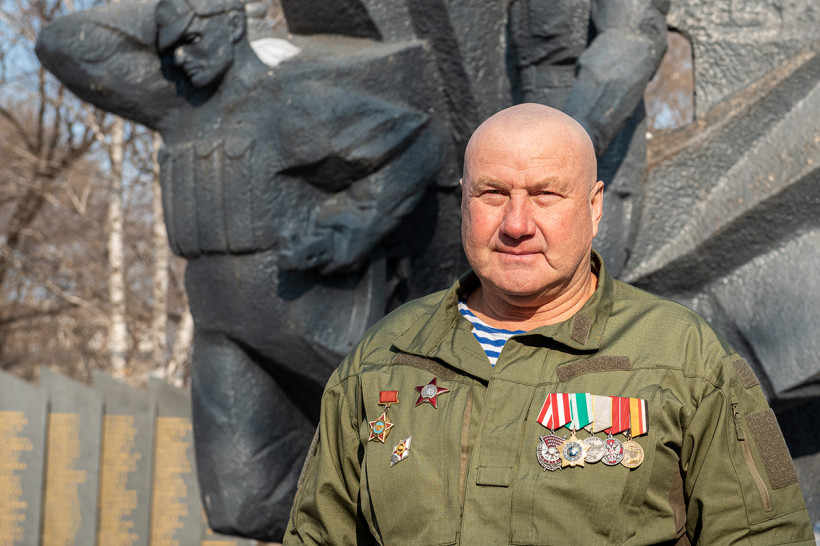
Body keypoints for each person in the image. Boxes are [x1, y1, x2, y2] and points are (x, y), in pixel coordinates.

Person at [284, 103, 813, 544]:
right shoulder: (385, 358)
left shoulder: (685, 357)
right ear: (464, 202)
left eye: (545, 195)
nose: (516, 224)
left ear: (594, 206)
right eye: (493, 194)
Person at [35, 0, 446, 539]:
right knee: (242, 502)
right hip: (219, 320)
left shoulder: (288, 99)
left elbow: (415, 142)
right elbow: (64, 43)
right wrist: (172, 12)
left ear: (232, 25)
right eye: (169, 47)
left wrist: (347, 229)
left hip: (303, 313)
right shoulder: (175, 103)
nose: (180, 58)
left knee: (410, 458)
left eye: (190, 39)